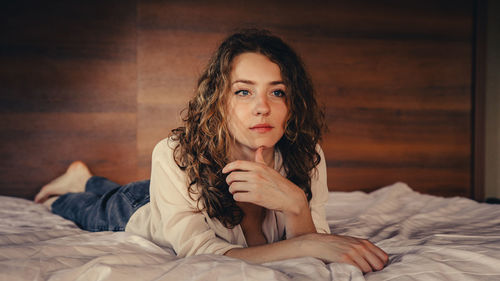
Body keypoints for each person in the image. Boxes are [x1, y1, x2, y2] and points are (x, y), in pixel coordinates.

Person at [34, 29, 388, 273]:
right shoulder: (173, 154)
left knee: (108, 191)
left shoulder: (307, 154)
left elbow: (314, 241)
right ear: (219, 101)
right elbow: (202, 254)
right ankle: (69, 186)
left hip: (173, 197)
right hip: (142, 206)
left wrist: (295, 203)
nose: (262, 107)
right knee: (92, 209)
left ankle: (88, 178)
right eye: (244, 92)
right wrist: (309, 245)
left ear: (292, 104)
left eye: (277, 92)